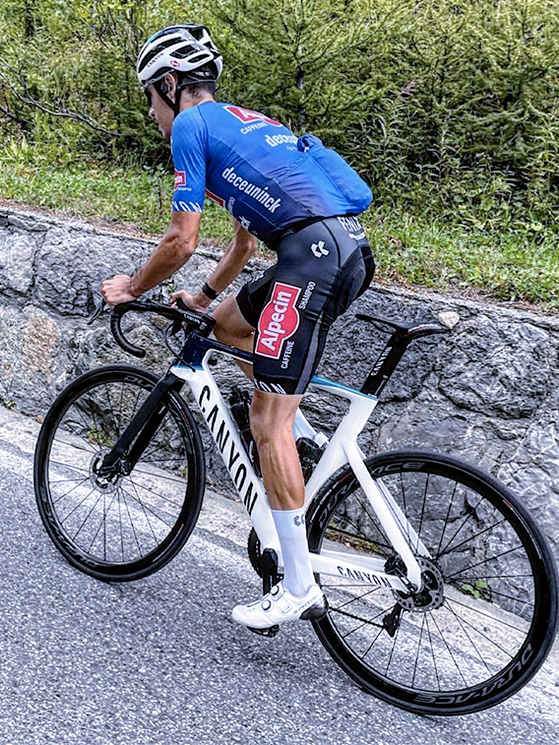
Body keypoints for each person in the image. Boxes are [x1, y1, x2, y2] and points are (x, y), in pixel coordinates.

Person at [101, 24, 375, 632]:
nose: (151, 114)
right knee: (227, 325)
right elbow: (245, 245)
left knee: (265, 423)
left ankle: (297, 587)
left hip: (310, 261)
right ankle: (301, 436)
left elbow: (181, 240)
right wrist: (203, 297)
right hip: (340, 250)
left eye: (150, 98)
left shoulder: (191, 128)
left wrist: (132, 287)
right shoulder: (244, 125)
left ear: (170, 85)